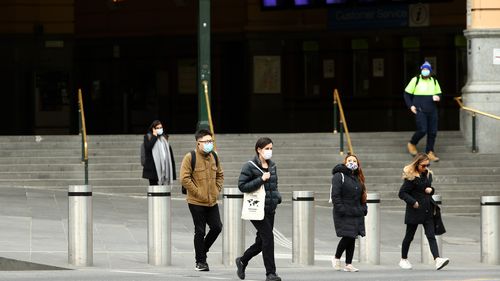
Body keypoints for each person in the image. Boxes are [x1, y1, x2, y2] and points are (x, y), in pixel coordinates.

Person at [236, 137, 282, 281]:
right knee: (268, 237)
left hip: (270, 208)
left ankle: (242, 260)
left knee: (261, 241)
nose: (269, 151)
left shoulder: (272, 165)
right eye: (267, 148)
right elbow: (242, 186)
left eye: (271, 148)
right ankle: (270, 273)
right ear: (259, 150)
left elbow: (274, 185)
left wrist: (277, 197)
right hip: (256, 209)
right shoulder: (249, 166)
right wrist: (261, 179)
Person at [180, 129, 224, 272]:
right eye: (206, 141)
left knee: (217, 227)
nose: (209, 144)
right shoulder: (190, 157)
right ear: (198, 143)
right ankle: (200, 262)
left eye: (211, 141)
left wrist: (217, 190)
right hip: (196, 201)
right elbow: (184, 178)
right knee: (200, 230)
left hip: (212, 201)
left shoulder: (214, 157)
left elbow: (220, 175)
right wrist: (198, 192)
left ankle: (202, 250)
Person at [398, 152, 450, 270]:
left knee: (431, 236)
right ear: (417, 164)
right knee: (409, 236)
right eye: (423, 165)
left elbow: (428, 191)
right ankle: (403, 259)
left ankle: (437, 260)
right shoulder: (411, 177)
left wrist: (431, 190)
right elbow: (402, 193)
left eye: (428, 165)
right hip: (414, 210)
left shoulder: (427, 175)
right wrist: (413, 202)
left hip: (427, 210)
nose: (426, 168)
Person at [330, 154, 367, 272]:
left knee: (352, 236)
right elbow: (335, 195)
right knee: (347, 236)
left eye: (354, 161)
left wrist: (363, 208)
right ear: (345, 162)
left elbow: (362, 195)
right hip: (344, 212)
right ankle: (336, 257)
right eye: (349, 160)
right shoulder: (339, 176)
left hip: (356, 211)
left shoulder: (358, 177)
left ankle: (349, 264)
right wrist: (341, 209)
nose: (352, 162)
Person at [404, 61, 442, 162]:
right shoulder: (415, 80)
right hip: (420, 110)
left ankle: (430, 152)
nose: (425, 71)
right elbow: (406, 94)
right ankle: (412, 143)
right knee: (422, 130)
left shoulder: (434, 81)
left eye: (427, 70)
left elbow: (439, 93)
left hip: (432, 111)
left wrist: (438, 97)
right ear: (421, 70)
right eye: (423, 69)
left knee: (432, 132)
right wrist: (411, 106)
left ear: (430, 71)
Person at [142, 120, 176, 186]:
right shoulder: (148, 137)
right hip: (153, 171)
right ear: (153, 129)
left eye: (161, 127)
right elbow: (148, 147)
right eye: (157, 128)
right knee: (154, 190)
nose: (160, 129)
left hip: (165, 169)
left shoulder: (164, 138)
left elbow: (170, 156)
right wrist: (154, 136)